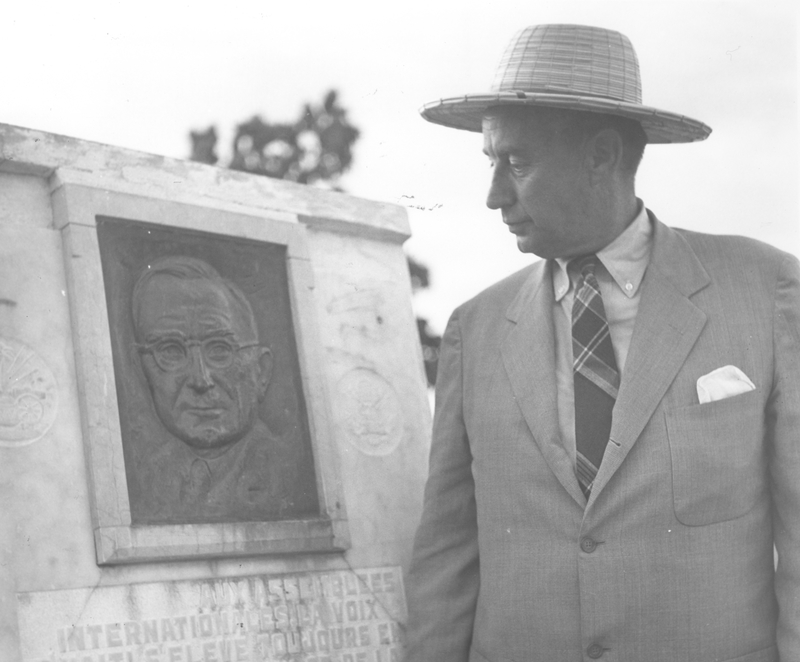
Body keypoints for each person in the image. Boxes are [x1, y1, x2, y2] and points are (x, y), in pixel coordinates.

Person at [405, 24, 799, 661]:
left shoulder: (767, 291)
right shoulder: (473, 330)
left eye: (518, 163)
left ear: (602, 155)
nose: (493, 195)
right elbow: (445, 558)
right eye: (491, 162)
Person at [130, 255, 300, 523]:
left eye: (220, 350)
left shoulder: (291, 473)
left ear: (261, 371)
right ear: (143, 370)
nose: (200, 379)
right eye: (171, 351)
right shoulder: (144, 476)